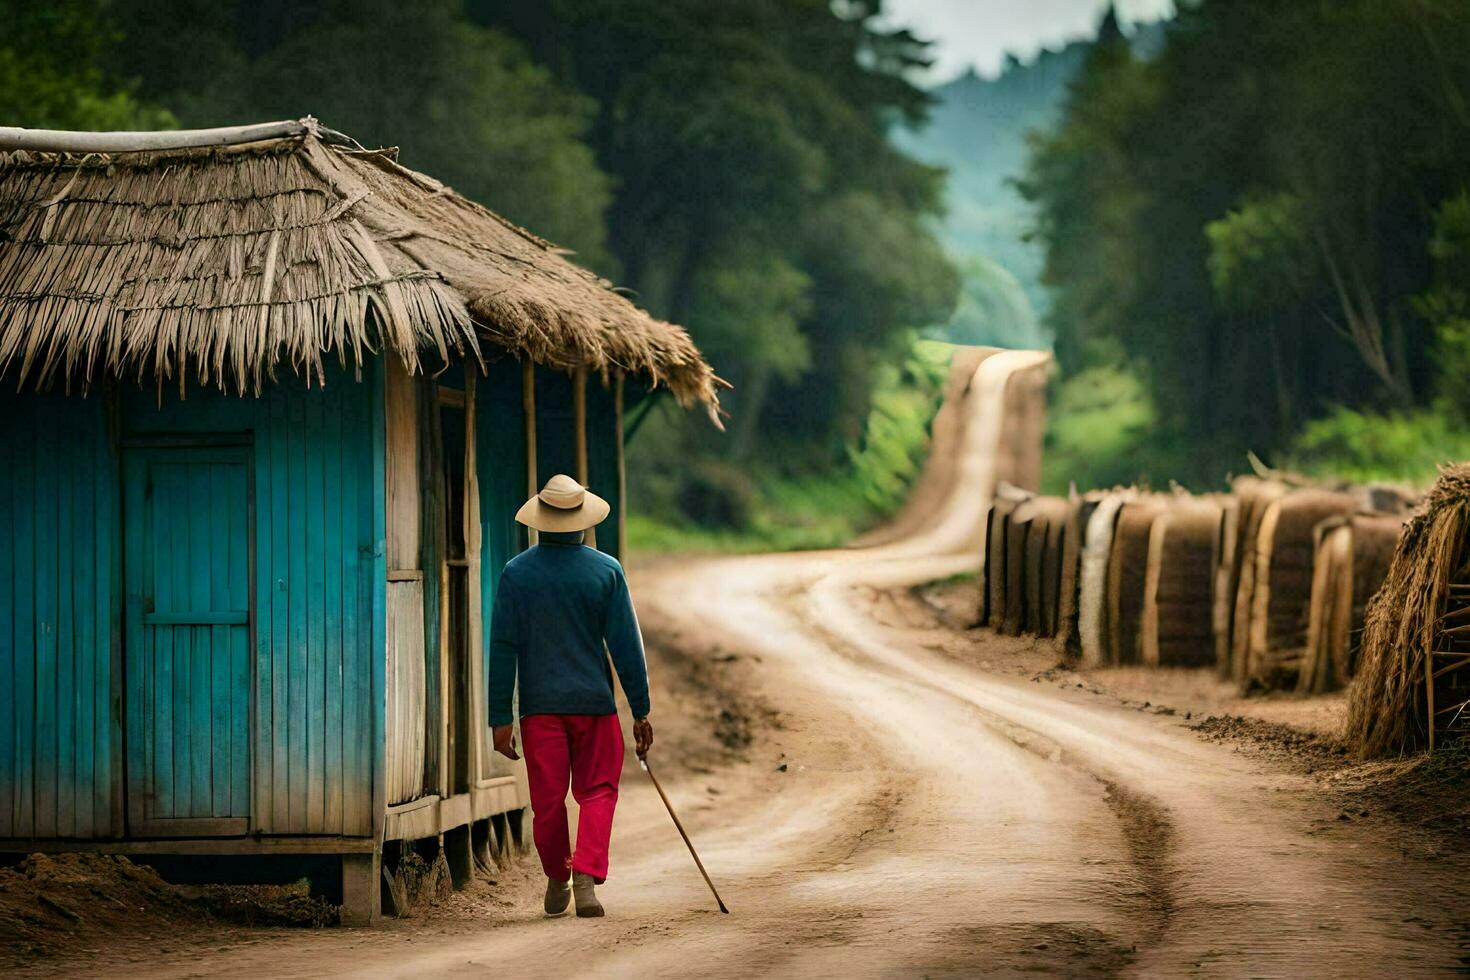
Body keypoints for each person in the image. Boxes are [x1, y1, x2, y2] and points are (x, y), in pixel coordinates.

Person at [488, 473, 654, 918]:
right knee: (598, 790)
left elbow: (503, 646)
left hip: (540, 710)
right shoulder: (606, 571)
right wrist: (641, 710)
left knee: (547, 800)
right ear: (583, 519)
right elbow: (626, 646)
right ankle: (585, 875)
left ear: (540, 521)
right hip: (594, 707)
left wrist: (499, 716)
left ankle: (559, 874)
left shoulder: (516, 574)